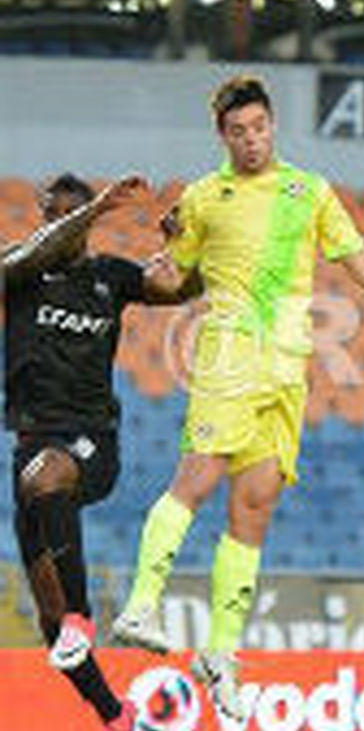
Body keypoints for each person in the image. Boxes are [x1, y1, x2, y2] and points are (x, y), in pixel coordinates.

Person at [110, 74, 364, 722]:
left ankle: (221, 654)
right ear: (222, 136)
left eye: (260, 127)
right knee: (196, 478)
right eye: (238, 131)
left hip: (288, 369)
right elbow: (172, 283)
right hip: (229, 351)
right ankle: (141, 603)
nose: (251, 140)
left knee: (254, 507)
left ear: (272, 125)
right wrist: (164, 249)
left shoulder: (312, 192)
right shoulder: (204, 197)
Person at [4, 173, 199, 730]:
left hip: (92, 445)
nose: (64, 225)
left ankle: (82, 618)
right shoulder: (15, 271)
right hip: (33, 447)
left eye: (75, 214)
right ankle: (114, 715)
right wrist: (93, 212)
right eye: (56, 215)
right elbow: (34, 253)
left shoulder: (109, 277)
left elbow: (181, 288)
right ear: (43, 216)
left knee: (46, 482)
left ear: (86, 220)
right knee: (47, 616)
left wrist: (192, 244)